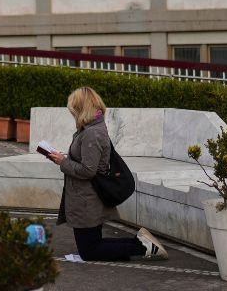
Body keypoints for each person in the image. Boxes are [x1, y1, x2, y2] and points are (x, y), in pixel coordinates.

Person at [49, 87, 169, 262]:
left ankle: (142, 246)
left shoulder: (92, 133)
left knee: (89, 251)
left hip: (86, 200)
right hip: (86, 198)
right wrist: (66, 159)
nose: (72, 114)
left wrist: (63, 162)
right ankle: (140, 245)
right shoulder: (91, 128)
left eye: (73, 110)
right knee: (92, 245)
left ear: (81, 108)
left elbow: (88, 170)